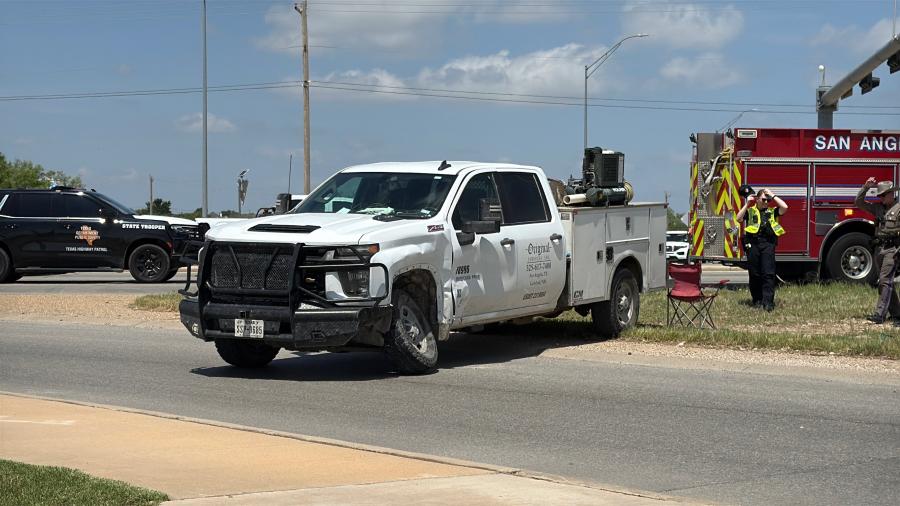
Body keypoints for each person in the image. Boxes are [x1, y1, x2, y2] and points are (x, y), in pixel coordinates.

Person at [856, 178, 900, 325]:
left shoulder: (899, 208)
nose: (881, 198)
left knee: (884, 280)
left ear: (891, 194)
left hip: (892, 249)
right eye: (879, 196)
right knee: (887, 282)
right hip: (878, 249)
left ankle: (879, 314)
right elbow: (859, 203)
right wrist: (865, 187)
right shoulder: (878, 208)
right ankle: (897, 313)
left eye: (883, 195)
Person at [735, 188, 788, 311]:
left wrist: (773, 195)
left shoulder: (772, 211)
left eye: (768, 200)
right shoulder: (750, 211)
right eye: (763, 199)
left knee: (768, 273)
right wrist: (747, 203)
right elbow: (738, 218)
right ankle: (757, 300)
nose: (766, 202)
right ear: (757, 199)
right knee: (754, 273)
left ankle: (768, 302)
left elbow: (785, 207)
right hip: (753, 244)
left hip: (768, 244)